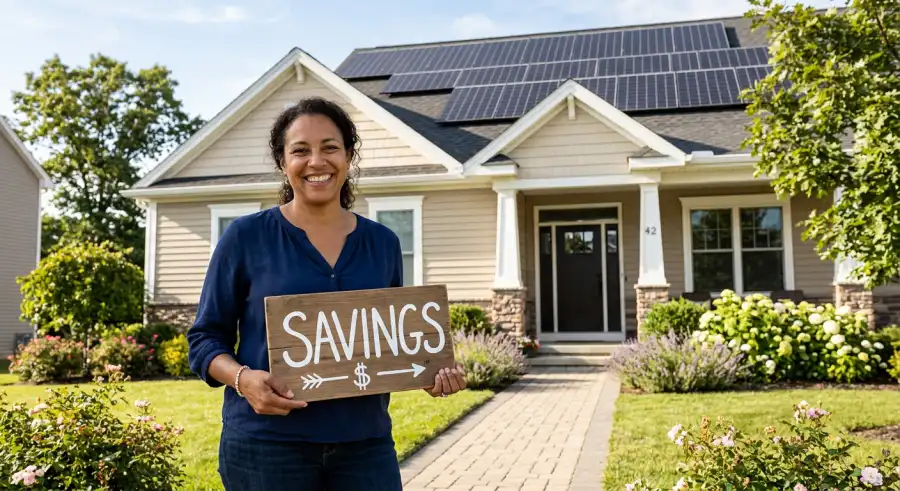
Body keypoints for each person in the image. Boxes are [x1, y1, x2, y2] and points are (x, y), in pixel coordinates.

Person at [186, 96, 467, 491]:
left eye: (330, 147)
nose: (316, 161)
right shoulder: (245, 238)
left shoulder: (383, 243)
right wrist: (243, 379)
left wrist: (429, 373)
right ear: (283, 163)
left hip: (365, 448)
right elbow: (204, 340)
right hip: (266, 446)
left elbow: (391, 341)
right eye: (300, 150)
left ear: (349, 156)